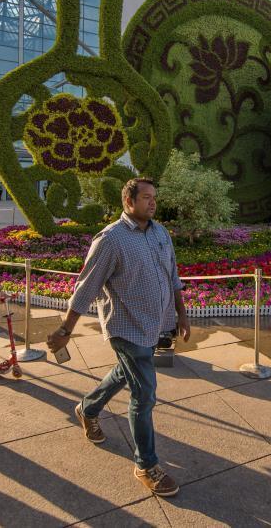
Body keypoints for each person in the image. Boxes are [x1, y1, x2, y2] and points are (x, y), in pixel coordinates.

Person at [46, 178, 190, 497]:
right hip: (126, 327)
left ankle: (88, 408)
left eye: (155, 197)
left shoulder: (160, 232)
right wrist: (65, 330)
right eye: (146, 198)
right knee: (145, 393)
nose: (153, 203)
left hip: (154, 325)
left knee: (125, 374)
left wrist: (181, 313)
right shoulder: (111, 239)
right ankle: (146, 464)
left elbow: (173, 276)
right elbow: (86, 288)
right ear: (129, 202)